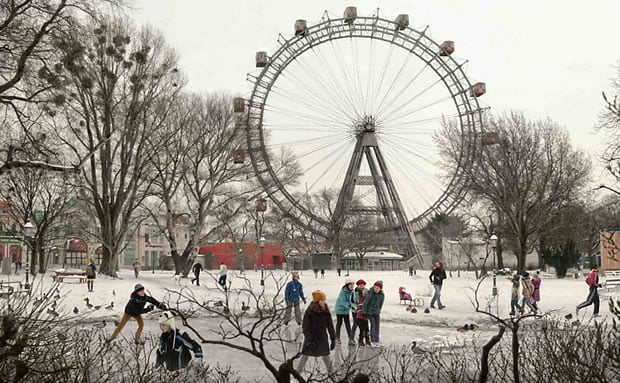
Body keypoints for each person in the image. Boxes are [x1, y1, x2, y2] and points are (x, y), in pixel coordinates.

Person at [297, 290, 336, 375]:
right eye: (322, 300)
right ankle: (296, 375)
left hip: (322, 339)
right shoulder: (310, 311)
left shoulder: (325, 311)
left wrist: (333, 339)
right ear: (317, 301)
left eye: (324, 300)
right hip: (311, 339)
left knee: (326, 358)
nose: (324, 302)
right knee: (304, 357)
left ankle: (333, 377)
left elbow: (330, 325)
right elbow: (305, 326)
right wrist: (308, 338)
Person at [362, 280, 384, 346]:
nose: (376, 289)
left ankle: (377, 340)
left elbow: (381, 304)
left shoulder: (382, 295)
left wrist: (378, 310)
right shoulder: (370, 293)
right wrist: (364, 312)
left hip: (376, 312)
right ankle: (372, 340)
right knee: (373, 326)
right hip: (370, 312)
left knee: (377, 326)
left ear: (380, 289)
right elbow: (365, 303)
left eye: (378, 288)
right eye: (375, 287)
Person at [334, 278, 355, 346]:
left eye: (353, 284)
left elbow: (352, 300)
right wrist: (350, 306)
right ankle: (337, 338)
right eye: (350, 285)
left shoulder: (352, 292)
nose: (352, 286)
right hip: (339, 310)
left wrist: (353, 305)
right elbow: (343, 302)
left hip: (346, 311)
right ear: (347, 285)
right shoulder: (343, 292)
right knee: (339, 323)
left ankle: (350, 338)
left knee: (347, 324)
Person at [352, 279, 370, 346]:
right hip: (358, 313)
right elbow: (352, 302)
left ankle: (367, 340)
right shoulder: (355, 292)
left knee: (367, 327)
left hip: (365, 312)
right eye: (360, 285)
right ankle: (360, 340)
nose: (362, 286)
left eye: (363, 285)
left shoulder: (367, 291)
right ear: (358, 285)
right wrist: (356, 308)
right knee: (361, 328)